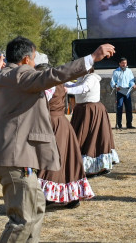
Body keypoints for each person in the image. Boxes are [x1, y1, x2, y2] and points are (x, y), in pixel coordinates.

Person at [0, 36, 114, 243]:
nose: (35, 64)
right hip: (17, 158)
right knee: (23, 220)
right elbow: (55, 74)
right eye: (34, 59)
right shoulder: (21, 75)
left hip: (8, 156)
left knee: (36, 208)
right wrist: (91, 58)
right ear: (26, 60)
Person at [34, 63, 94, 209]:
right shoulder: (58, 83)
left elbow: (40, 104)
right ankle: (70, 196)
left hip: (52, 123)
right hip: (61, 123)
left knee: (52, 158)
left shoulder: (49, 86)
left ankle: (50, 195)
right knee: (66, 159)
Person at [67, 68, 120, 175]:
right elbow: (75, 86)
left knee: (93, 137)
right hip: (82, 110)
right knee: (81, 137)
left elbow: (84, 88)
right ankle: (83, 165)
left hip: (91, 111)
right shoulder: (82, 78)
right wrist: (61, 83)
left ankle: (97, 167)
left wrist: (66, 90)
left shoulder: (91, 78)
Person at [110, 57, 136, 129]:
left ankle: (129, 124)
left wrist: (133, 84)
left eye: (125, 63)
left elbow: (131, 80)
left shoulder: (129, 71)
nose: (124, 64)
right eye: (123, 63)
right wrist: (116, 86)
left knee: (129, 108)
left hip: (127, 92)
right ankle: (119, 124)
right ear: (119, 63)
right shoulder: (116, 72)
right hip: (120, 92)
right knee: (119, 108)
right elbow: (112, 82)